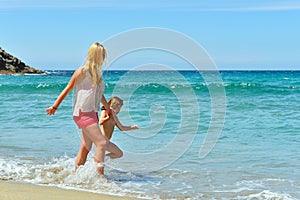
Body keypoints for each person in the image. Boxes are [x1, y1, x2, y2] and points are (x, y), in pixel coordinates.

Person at [46, 42, 112, 176]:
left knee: (85, 148)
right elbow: (68, 88)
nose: (104, 57)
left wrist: (107, 107)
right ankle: (100, 178)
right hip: (82, 114)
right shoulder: (82, 71)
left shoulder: (97, 74)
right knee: (101, 143)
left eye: (104, 54)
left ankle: (75, 176)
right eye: (102, 54)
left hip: (93, 113)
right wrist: (55, 106)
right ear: (94, 55)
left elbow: (99, 94)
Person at [75, 96, 138, 169]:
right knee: (116, 154)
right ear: (115, 107)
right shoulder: (105, 112)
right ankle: (97, 162)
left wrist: (132, 128)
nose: (119, 111)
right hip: (102, 140)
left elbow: (121, 128)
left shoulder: (115, 117)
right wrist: (108, 117)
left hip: (107, 141)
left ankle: (97, 161)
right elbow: (101, 122)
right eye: (119, 108)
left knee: (119, 154)